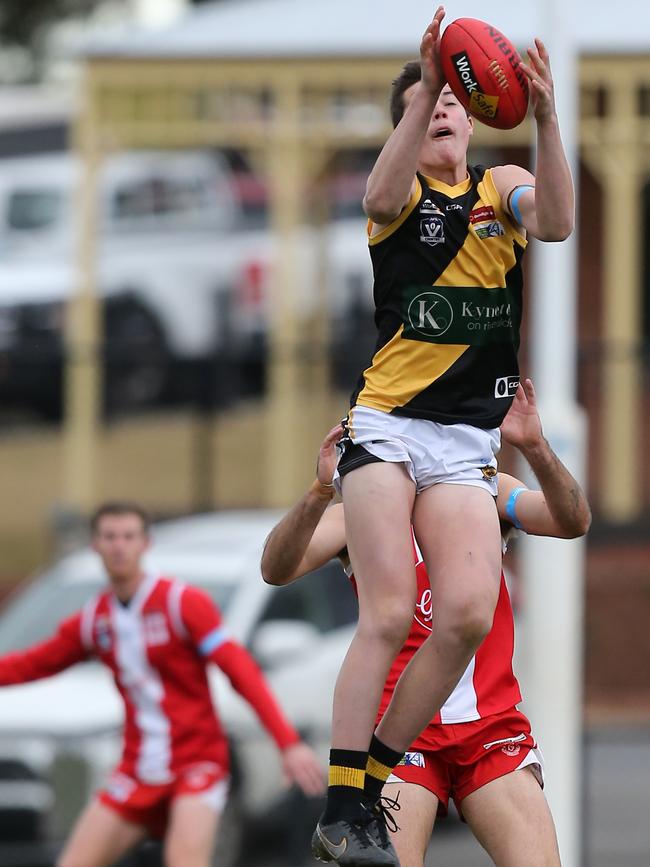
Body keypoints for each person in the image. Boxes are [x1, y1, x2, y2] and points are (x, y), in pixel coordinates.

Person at [315, 4, 575, 862]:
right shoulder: (400, 198)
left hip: (464, 440)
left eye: (455, 101)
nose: (444, 112)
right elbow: (378, 191)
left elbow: (561, 224)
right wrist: (427, 77)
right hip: (390, 426)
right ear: (414, 117)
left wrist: (545, 119)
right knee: (390, 610)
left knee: (463, 612)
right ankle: (342, 798)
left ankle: (372, 777)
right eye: (428, 105)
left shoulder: (501, 188)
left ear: (473, 113)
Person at [261, 379, 590, 867]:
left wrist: (535, 446)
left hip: (489, 728)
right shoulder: (359, 513)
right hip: (401, 739)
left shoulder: (484, 491)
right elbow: (276, 568)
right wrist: (317, 491)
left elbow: (570, 521)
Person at [0, 502, 325, 867]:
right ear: (95, 547)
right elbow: (30, 664)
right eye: (109, 537)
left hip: (195, 766)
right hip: (136, 770)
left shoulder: (180, 603)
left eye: (128, 536)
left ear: (145, 544)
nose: (119, 546)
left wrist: (287, 743)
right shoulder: (95, 621)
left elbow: (239, 670)